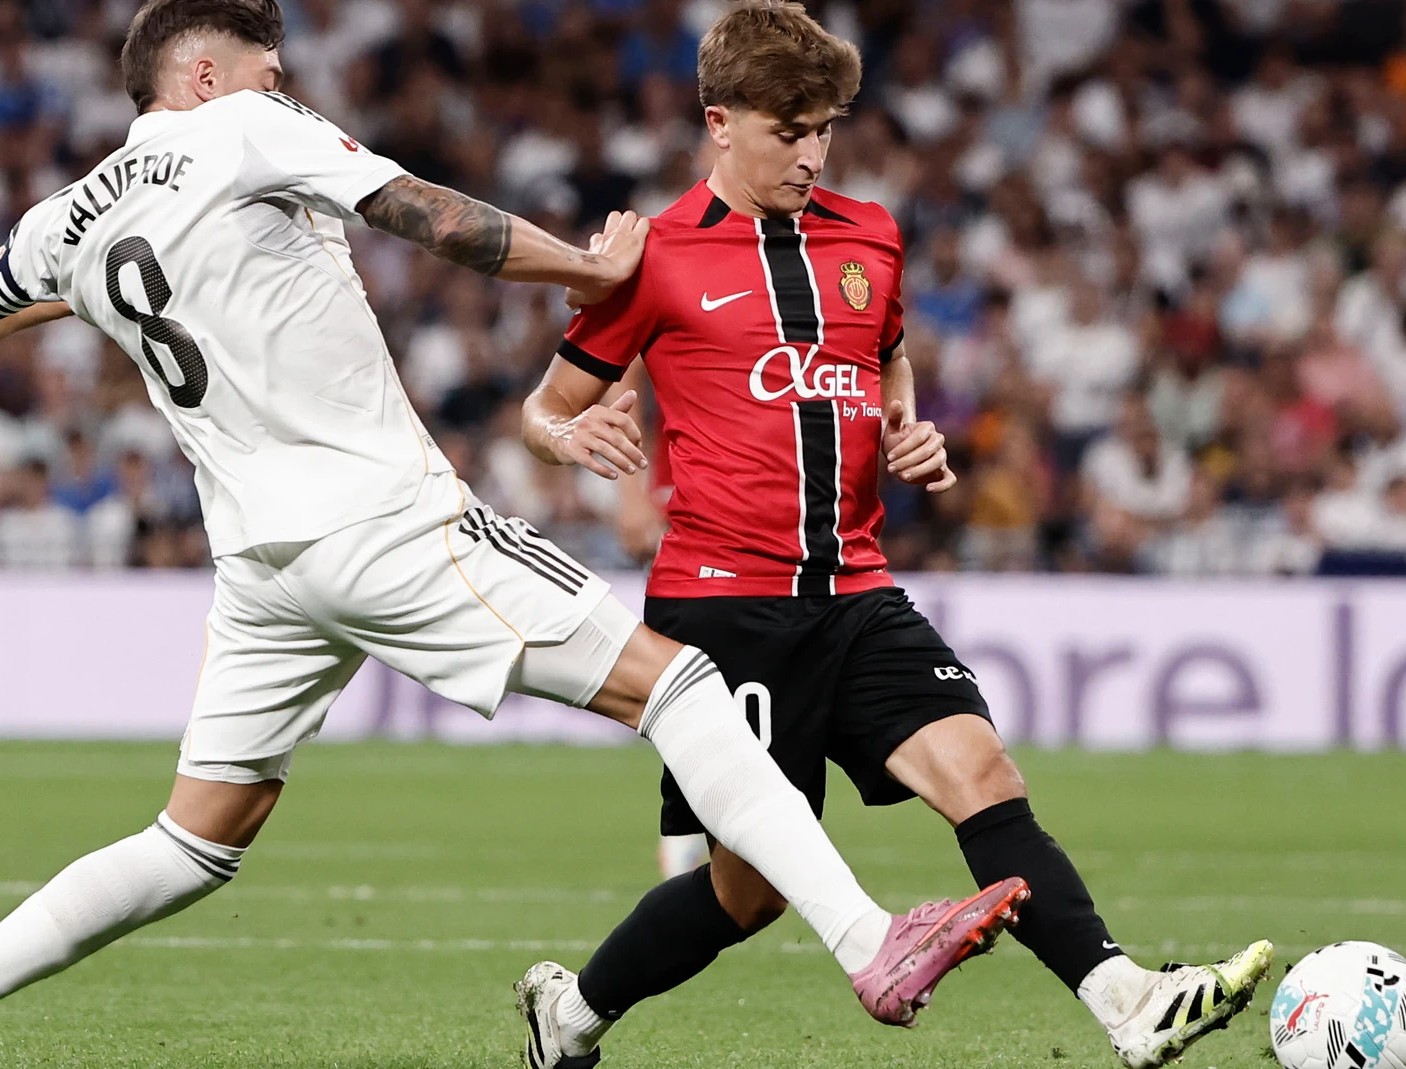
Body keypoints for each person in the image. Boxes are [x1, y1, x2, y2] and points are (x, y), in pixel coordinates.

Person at [0, 3, 1025, 1066]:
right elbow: (429, 216)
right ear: (203, 72)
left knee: (191, 841)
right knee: (682, 683)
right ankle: (869, 941)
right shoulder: (243, 128)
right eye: (268, 65)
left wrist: (91, 287)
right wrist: (589, 270)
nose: (288, 83)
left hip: (261, 562)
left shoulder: (70, 212)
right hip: (381, 519)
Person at [513, 4, 1272, 1068]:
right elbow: (540, 408)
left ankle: (1127, 1000)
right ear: (719, 121)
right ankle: (574, 1014)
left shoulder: (868, 231)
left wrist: (905, 424)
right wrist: (568, 432)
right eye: (790, 131)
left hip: (858, 589)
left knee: (982, 770)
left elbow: (889, 354)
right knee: (749, 892)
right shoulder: (656, 256)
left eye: (826, 128)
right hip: (725, 607)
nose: (812, 154)